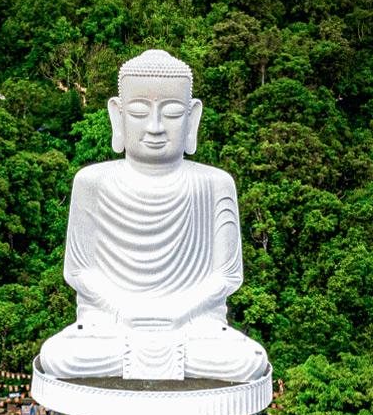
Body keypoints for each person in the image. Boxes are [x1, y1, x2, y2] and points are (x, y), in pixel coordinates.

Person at [37, 50, 268, 382]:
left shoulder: (215, 184)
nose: (155, 127)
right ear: (118, 116)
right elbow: (79, 272)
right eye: (139, 111)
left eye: (172, 112)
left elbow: (227, 277)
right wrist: (126, 312)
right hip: (112, 325)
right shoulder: (92, 182)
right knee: (59, 357)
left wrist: (175, 315)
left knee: (248, 360)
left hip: (193, 326)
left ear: (193, 118)